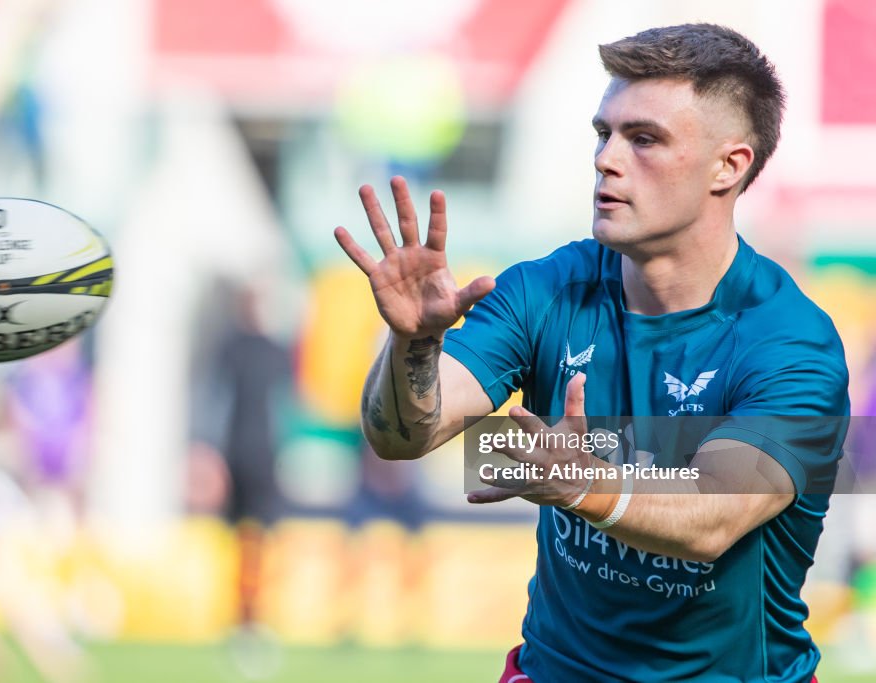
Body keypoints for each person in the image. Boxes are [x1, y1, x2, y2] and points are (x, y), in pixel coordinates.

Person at [334, 24, 848, 683]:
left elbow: (716, 511)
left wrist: (584, 481)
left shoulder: (788, 339)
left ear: (730, 165)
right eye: (604, 134)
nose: (607, 159)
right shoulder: (545, 289)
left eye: (644, 139)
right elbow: (403, 436)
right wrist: (413, 342)